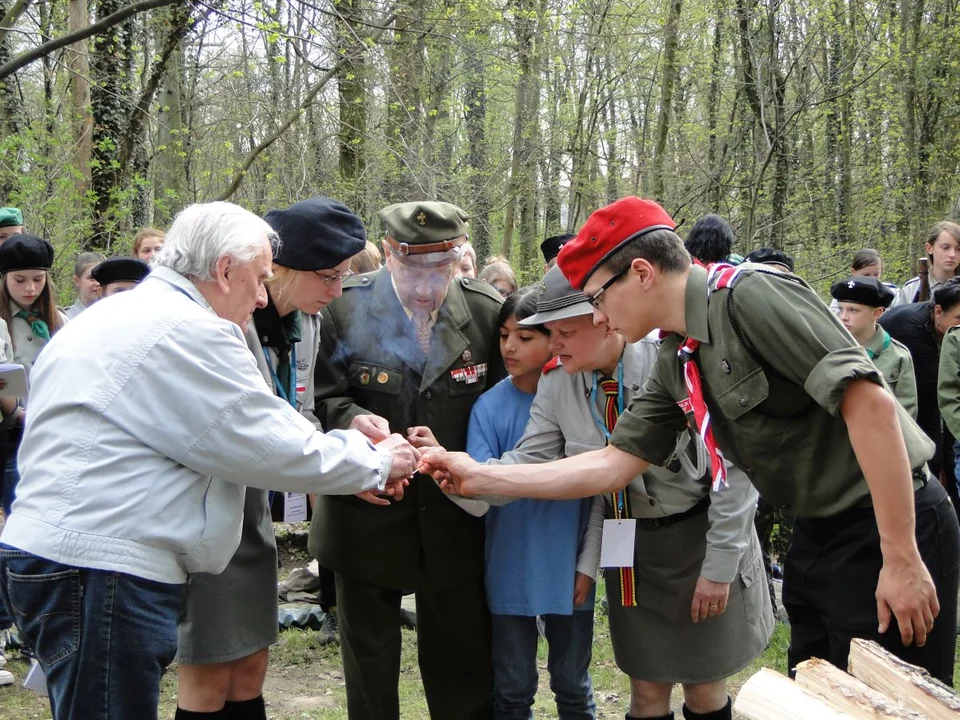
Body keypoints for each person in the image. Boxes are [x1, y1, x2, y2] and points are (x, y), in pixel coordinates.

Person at [422, 196, 960, 689]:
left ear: (641, 272)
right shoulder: (678, 356)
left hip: (885, 524)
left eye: (597, 299)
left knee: (892, 697)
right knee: (821, 693)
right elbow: (612, 464)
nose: (600, 317)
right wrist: (479, 474)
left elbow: (870, 404)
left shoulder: (751, 296)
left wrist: (902, 556)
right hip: (817, 534)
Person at [0, 201, 418, 720]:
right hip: (101, 567)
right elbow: (263, 442)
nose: (263, 295)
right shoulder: (190, 329)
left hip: (71, 555)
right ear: (224, 270)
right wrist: (377, 461)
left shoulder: (118, 313)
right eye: (260, 278)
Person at [471, 268, 771, 720]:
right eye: (549, 334)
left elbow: (734, 470)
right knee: (646, 689)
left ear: (603, 319)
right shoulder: (557, 383)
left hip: (699, 539)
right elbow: (529, 461)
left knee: (704, 688)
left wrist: (720, 565)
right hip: (631, 546)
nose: (553, 346)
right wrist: (466, 475)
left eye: (564, 333)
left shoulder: (671, 363)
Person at [309, 200, 504, 720]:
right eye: (411, 270)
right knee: (369, 670)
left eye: (439, 271)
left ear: (459, 256)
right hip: (365, 514)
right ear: (389, 252)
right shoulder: (342, 307)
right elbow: (321, 401)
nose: (425, 288)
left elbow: (507, 408)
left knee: (462, 663)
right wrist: (354, 423)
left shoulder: (487, 312)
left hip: (453, 519)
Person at [174, 198, 368, 720]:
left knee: (251, 665)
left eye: (345, 275)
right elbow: (244, 431)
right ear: (277, 269)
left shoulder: (306, 322)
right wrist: (357, 463)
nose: (337, 291)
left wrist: (350, 429)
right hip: (207, 510)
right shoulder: (223, 322)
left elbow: (293, 412)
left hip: (254, 507)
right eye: (328, 276)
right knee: (209, 671)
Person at [467, 283, 597, 719]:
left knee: (573, 685)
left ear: (554, 339)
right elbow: (481, 489)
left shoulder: (580, 395)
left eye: (525, 337)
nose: (510, 347)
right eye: (504, 335)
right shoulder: (487, 407)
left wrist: (587, 564)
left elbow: (603, 488)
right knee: (513, 688)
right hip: (510, 561)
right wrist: (447, 471)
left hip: (569, 562)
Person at [0, 234, 67, 517]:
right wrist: (18, 412)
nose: (30, 288)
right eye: (20, 280)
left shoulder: (59, 319)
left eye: (38, 279)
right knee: (17, 507)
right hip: (12, 428)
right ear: (4, 278)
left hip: (51, 426)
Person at [880, 279, 960, 501]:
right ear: (938, 311)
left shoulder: (943, 326)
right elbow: (933, 400)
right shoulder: (911, 329)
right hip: (892, 397)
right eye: (959, 319)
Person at [831, 276, 917, 417]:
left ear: (876, 313)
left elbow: (906, 415)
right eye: (841, 309)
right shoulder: (831, 349)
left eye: (853, 310)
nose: (843, 317)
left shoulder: (897, 356)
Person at [898, 222, 960, 305]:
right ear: (929, 248)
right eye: (945, 248)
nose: (952, 254)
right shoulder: (911, 289)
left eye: (958, 249)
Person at [829, 249, 900, 315]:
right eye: (866, 275)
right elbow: (834, 319)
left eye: (876, 274)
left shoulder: (892, 293)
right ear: (854, 272)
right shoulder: (843, 292)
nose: (872, 279)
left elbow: (896, 317)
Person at [64, 251, 105, 318]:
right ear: (77, 281)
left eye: (102, 277)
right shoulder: (64, 319)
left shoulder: (114, 316)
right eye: (91, 278)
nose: (98, 283)